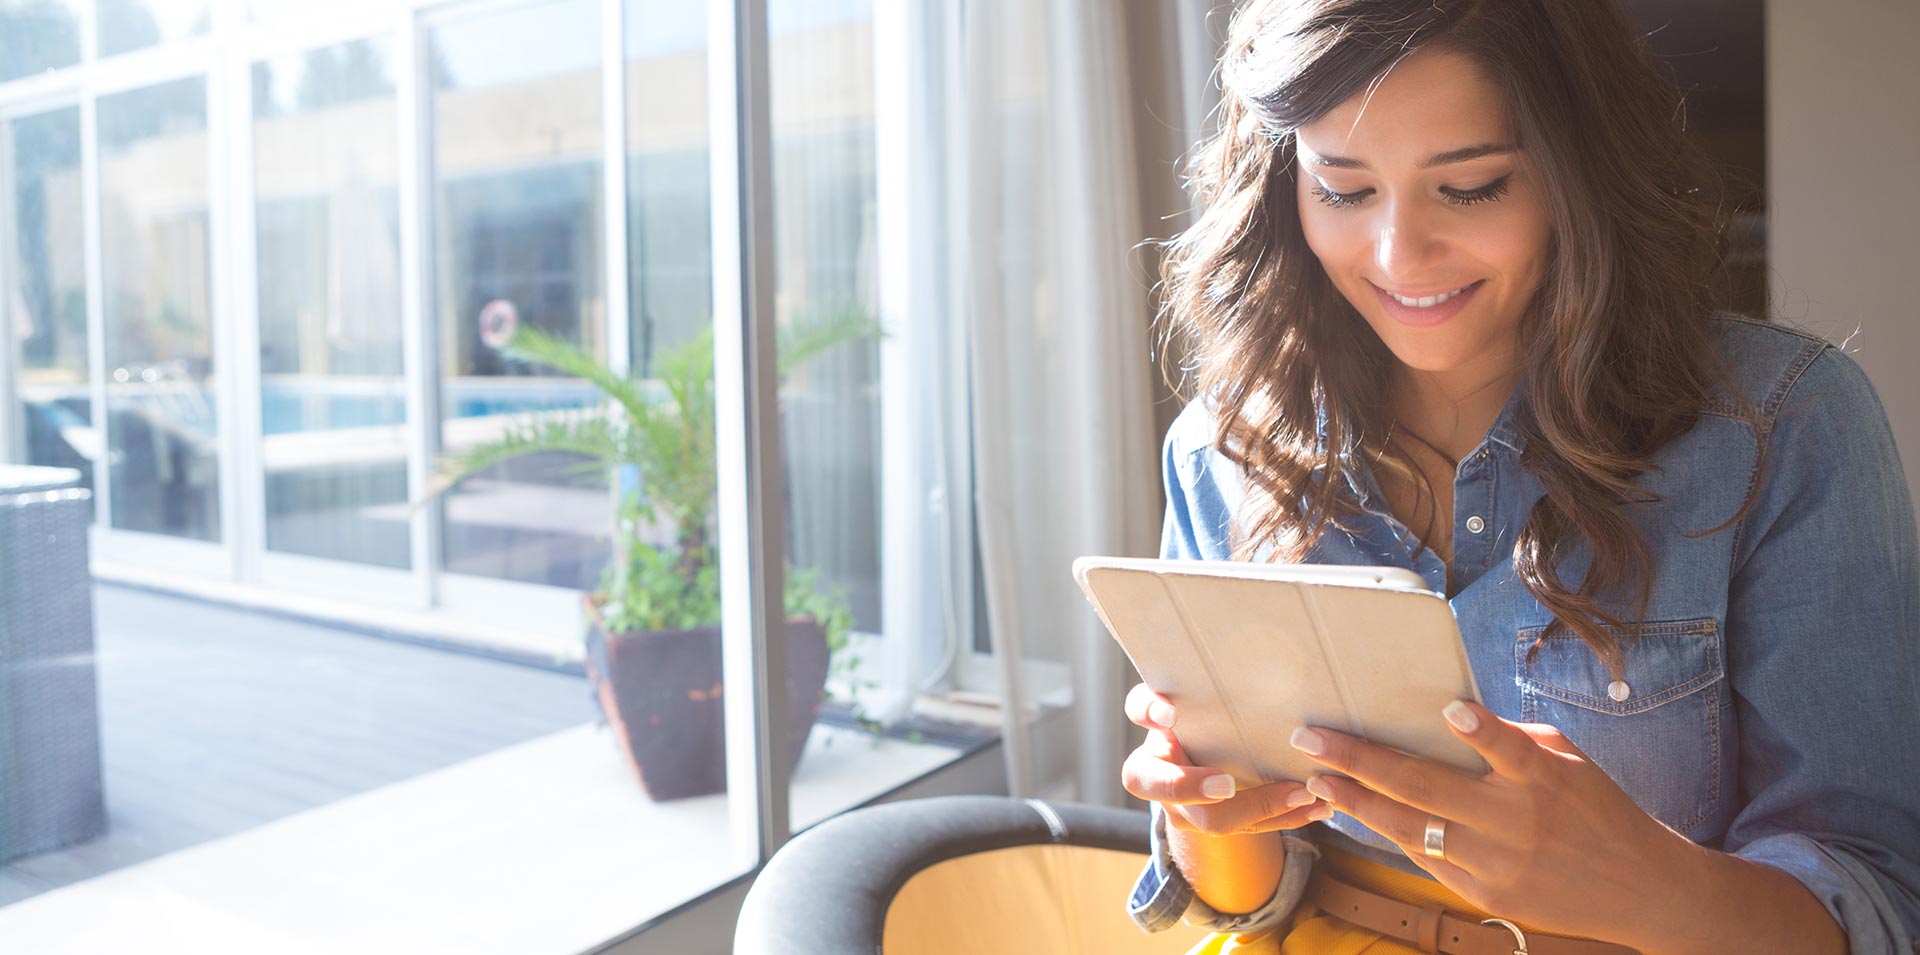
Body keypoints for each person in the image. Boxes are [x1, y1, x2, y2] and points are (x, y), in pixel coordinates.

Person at [1119, 1, 1920, 953]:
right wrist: (1206, 819)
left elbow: (1879, 898)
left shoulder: (1782, 424)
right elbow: (1252, 901)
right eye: (1341, 189)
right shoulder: (1224, 446)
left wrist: (1646, 884)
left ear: (1579, 172)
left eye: (1471, 187)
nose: (1397, 257)